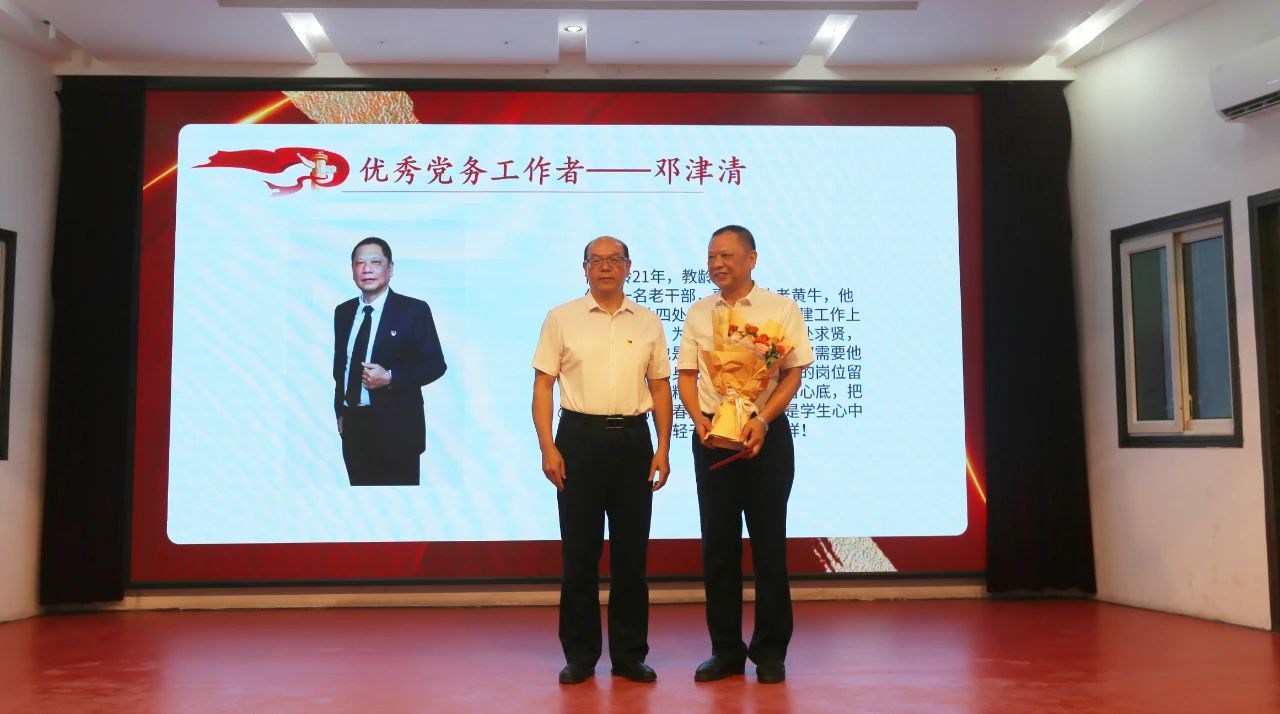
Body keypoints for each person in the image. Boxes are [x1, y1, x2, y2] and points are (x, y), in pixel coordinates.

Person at [531, 236, 673, 685]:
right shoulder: (561, 318)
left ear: (629, 267)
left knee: (631, 556)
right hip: (578, 439)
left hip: (633, 441)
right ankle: (580, 655)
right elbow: (543, 385)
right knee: (580, 553)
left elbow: (660, 387)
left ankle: (629, 656)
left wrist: (663, 447)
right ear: (585, 268)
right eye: (597, 260)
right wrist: (547, 446)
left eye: (615, 260)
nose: (606, 267)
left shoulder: (648, 321)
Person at [677, 224, 814, 685]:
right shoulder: (699, 312)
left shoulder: (780, 309)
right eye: (711, 256)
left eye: (727, 255)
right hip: (713, 437)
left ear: (751, 259)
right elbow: (686, 376)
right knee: (718, 547)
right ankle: (726, 651)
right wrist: (698, 420)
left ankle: (771, 652)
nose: (717, 264)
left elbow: (793, 373)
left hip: (765, 437)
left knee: (769, 546)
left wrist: (763, 421)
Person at [333, 237, 446, 486]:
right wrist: (341, 411)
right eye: (359, 263)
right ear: (352, 270)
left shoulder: (413, 310)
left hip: (398, 428)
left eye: (375, 262)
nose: (367, 269)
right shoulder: (343, 312)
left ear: (390, 268)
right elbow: (341, 368)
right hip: (354, 427)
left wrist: (391, 377)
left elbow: (436, 364)